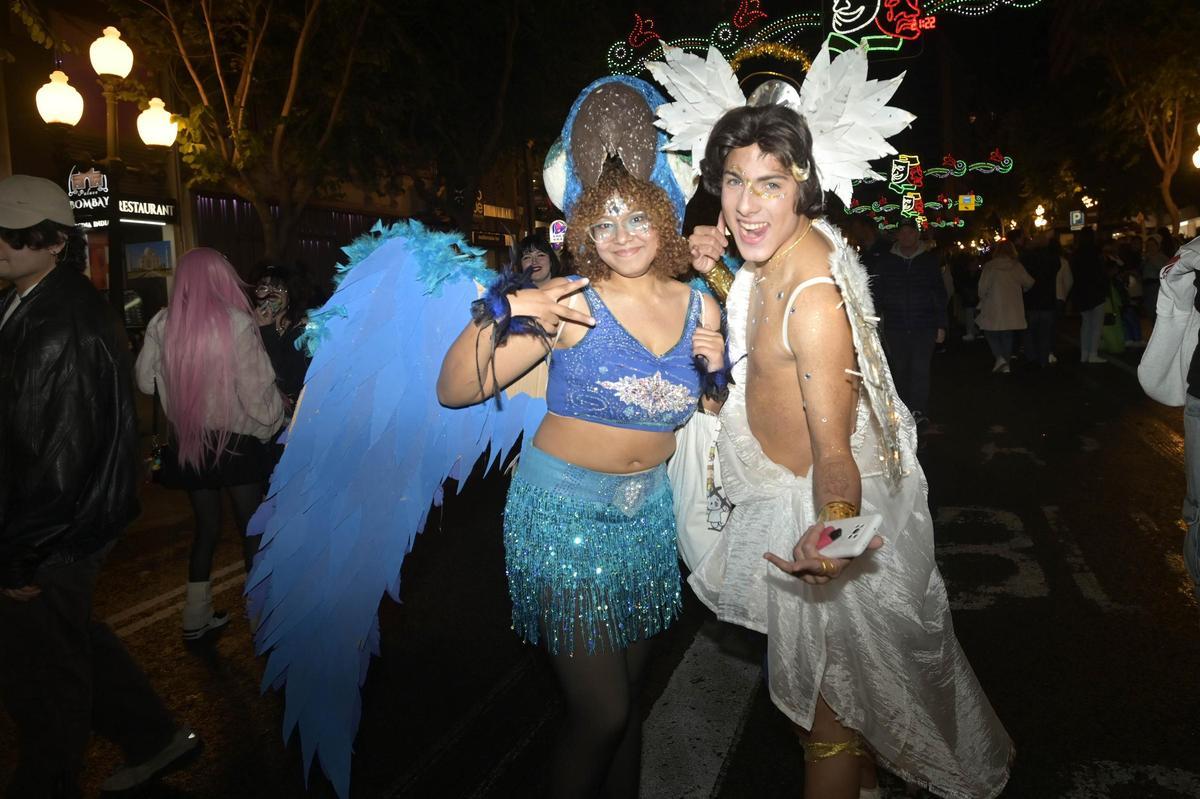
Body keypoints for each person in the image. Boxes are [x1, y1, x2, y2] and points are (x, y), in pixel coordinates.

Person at [686, 102, 1012, 798]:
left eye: (769, 184)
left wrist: (833, 534)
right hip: (784, 495)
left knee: (825, 722)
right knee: (824, 706)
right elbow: (760, 335)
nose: (745, 204)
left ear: (803, 186)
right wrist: (716, 270)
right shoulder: (780, 247)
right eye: (734, 181)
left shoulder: (814, 299)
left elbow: (834, 453)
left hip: (823, 509)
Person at [438, 161, 724, 798]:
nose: (621, 234)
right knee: (603, 713)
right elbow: (455, 389)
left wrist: (718, 376)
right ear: (585, 235)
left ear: (665, 218)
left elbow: (709, 411)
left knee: (627, 706)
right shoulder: (569, 303)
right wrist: (503, 309)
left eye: (638, 216)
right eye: (604, 222)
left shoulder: (702, 302)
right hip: (562, 517)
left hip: (648, 515)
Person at [0, 175, 199, 796]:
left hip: (54, 529)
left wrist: (21, 555)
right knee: (68, 640)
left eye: (12, 232)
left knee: (41, 675)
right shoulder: (27, 299)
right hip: (55, 525)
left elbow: (56, 461)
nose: (0, 243)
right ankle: (152, 736)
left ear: (53, 241)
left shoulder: (63, 320)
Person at [135, 248, 285, 641]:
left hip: (190, 443)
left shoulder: (163, 322)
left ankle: (194, 615)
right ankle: (260, 618)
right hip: (237, 444)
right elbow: (257, 395)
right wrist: (271, 427)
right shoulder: (237, 323)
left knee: (206, 528)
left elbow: (143, 382)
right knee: (251, 528)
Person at [865, 218, 947, 423]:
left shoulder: (928, 261)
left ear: (917, 235)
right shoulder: (886, 262)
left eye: (910, 232)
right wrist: (870, 320)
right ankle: (902, 409)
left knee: (920, 369)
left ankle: (918, 410)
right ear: (897, 236)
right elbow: (877, 293)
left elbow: (939, 293)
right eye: (902, 232)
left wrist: (941, 325)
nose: (906, 236)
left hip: (924, 325)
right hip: (896, 325)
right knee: (899, 369)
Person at [252, 263, 311, 412]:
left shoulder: (302, 330)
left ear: (290, 295)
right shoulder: (247, 327)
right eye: (264, 288)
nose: (270, 294)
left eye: (278, 288)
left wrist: (267, 331)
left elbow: (286, 379)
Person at [977, 241, 1035, 373]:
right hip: (1012, 306)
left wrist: (982, 297)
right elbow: (1029, 282)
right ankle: (1006, 363)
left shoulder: (990, 266)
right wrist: (1022, 290)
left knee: (990, 332)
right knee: (1007, 334)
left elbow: (982, 288)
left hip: (993, 305)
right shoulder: (1016, 266)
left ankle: (999, 357)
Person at [1070, 227, 1108, 363]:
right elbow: (1102, 273)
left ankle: (1084, 353)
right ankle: (1093, 353)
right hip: (1096, 292)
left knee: (1085, 324)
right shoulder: (1096, 253)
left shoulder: (1076, 254)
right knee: (1096, 325)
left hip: (1081, 292)